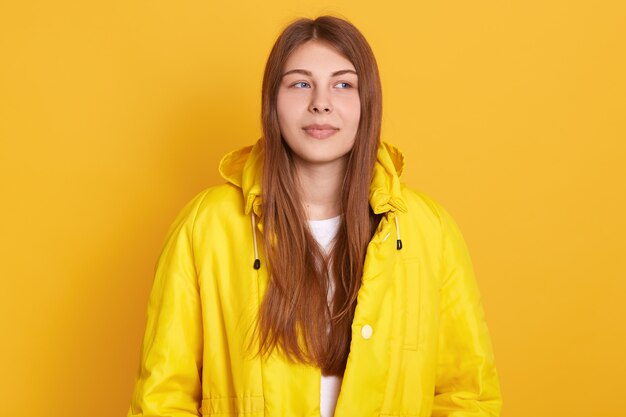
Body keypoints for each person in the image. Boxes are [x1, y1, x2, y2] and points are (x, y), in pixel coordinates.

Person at [127, 15, 502, 417]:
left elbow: (467, 397)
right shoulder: (205, 227)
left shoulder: (428, 230)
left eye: (343, 84)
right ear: (273, 100)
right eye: (300, 83)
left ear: (367, 102)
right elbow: (162, 400)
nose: (320, 102)